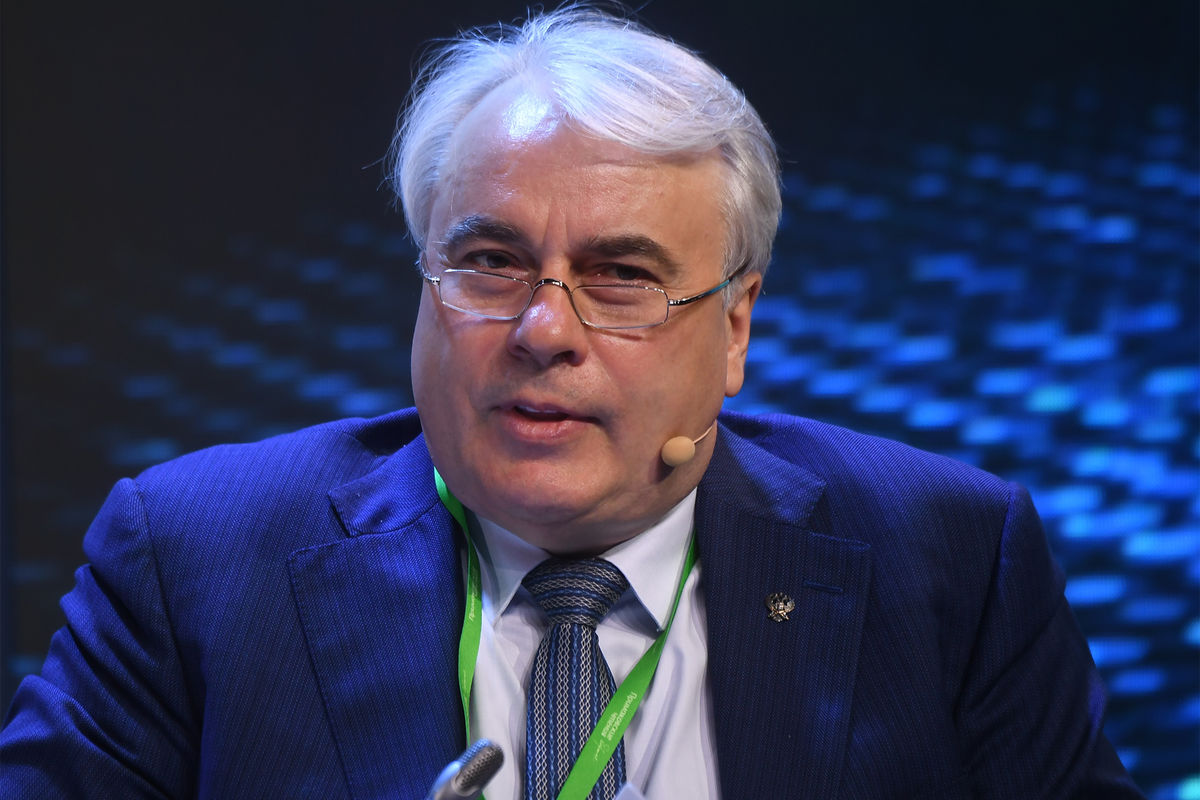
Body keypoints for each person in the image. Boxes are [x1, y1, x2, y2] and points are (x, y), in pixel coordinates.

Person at [0, 6, 1143, 799]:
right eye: (490, 262)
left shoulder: (948, 558)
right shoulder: (195, 560)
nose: (544, 329)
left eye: (623, 276)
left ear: (735, 327)